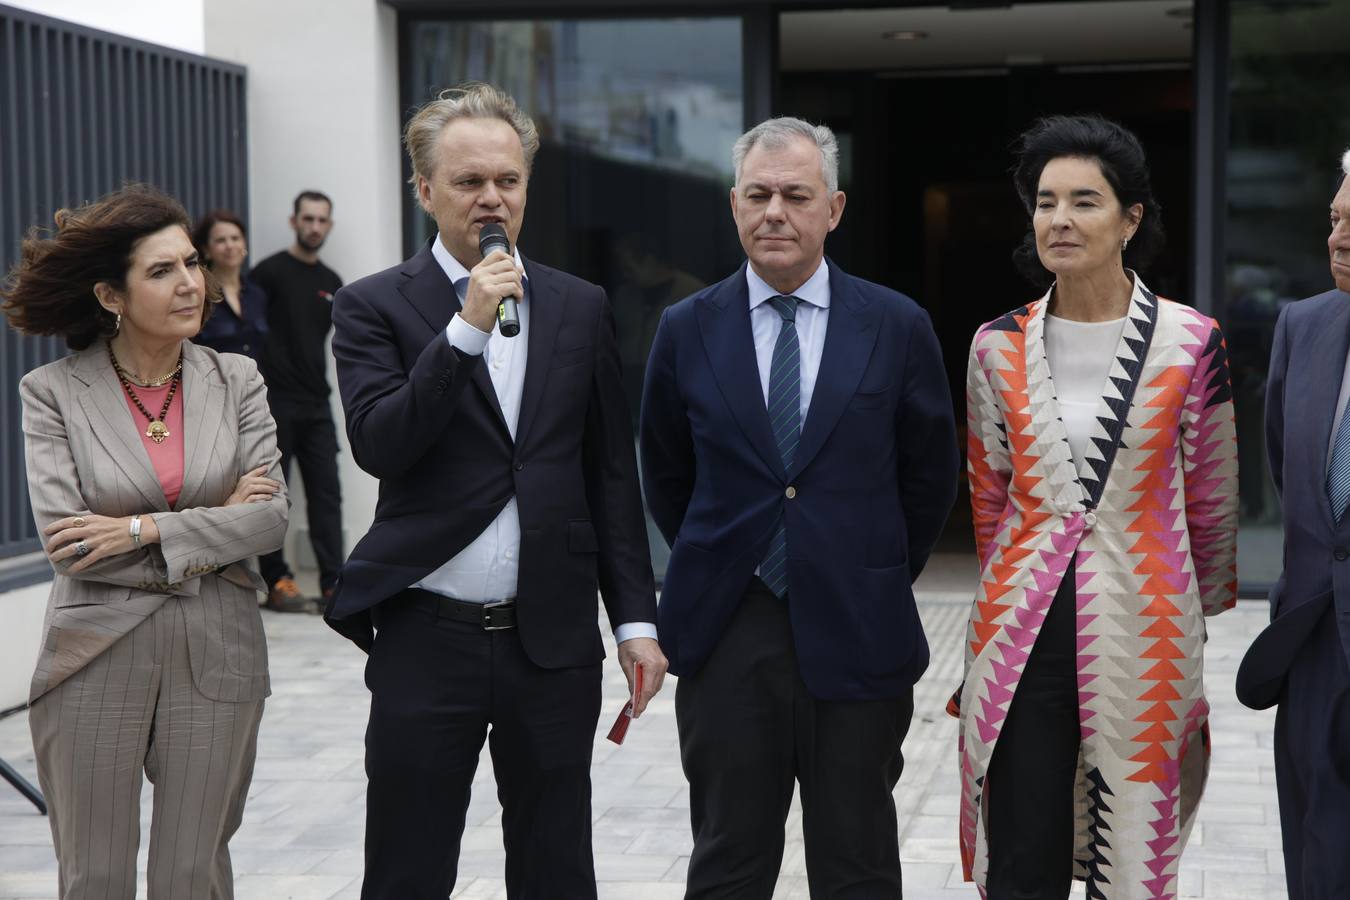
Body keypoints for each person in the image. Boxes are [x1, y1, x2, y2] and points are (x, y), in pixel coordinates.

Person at [325, 82, 668, 900]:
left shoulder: (580, 306)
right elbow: (381, 444)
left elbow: (607, 476)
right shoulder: (372, 305)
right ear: (425, 191)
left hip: (549, 642)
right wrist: (465, 329)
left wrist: (635, 620)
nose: (492, 199)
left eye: (507, 181)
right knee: (408, 866)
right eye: (470, 181)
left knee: (556, 866)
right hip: (425, 637)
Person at [640, 116, 960, 898]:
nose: (774, 212)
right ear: (734, 205)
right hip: (727, 630)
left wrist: (869, 564)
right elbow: (666, 472)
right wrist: (734, 554)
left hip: (858, 628)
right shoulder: (687, 328)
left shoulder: (895, 325)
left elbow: (929, 476)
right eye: (758, 194)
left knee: (857, 864)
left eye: (795, 194)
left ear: (834, 208)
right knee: (728, 859)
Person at [955, 115, 1238, 899]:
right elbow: (990, 495)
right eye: (1045, 202)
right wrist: (1011, 586)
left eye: (1084, 201)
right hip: (1021, 629)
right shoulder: (995, 346)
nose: (1060, 220)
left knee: (1130, 856)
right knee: (1021, 854)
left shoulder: (1191, 342)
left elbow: (1211, 501)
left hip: (1147, 629)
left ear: (1130, 219)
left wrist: (1196, 611)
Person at [2, 184, 287, 899]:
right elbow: (70, 544)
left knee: (192, 873)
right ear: (111, 295)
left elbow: (271, 519)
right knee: (94, 875)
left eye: (192, 262)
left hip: (218, 650)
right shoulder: (52, 393)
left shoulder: (238, 378)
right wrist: (215, 523)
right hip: (94, 652)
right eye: (163, 270)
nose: (192, 281)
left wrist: (141, 527)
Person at [1238, 148, 1350, 899]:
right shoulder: (1304, 326)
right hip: (1316, 649)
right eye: (1337, 220)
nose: (1339, 239)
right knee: (1317, 854)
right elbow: (1289, 468)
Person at [251, 190, 344, 613]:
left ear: (329, 225)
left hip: (317, 405)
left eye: (322, 220)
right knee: (274, 496)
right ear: (294, 222)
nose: (314, 227)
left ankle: (334, 585)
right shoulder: (268, 274)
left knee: (327, 495)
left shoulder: (332, 283)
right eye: (307, 219)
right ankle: (277, 580)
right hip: (275, 404)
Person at [191, 209, 269, 362]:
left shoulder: (256, 294)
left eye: (235, 238)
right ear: (206, 250)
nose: (230, 245)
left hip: (254, 383)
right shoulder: (199, 295)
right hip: (213, 383)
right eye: (221, 240)